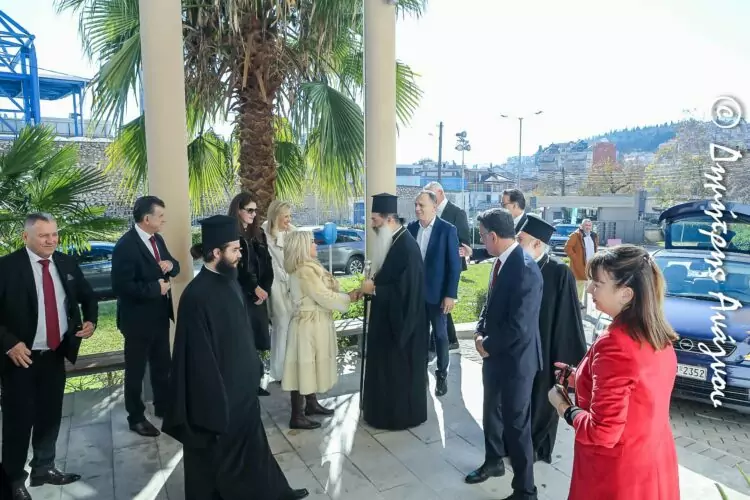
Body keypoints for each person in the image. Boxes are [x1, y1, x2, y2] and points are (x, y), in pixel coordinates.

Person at [162, 215, 309, 500]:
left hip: (242, 388)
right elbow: (197, 357)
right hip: (219, 395)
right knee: (218, 459)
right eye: (234, 250)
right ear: (215, 253)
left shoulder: (229, 282)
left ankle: (274, 493)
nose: (240, 254)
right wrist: (217, 397)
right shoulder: (196, 296)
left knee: (254, 448)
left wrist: (253, 369)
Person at [548, 245, 679, 500]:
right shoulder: (656, 336)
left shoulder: (616, 344)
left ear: (626, 294)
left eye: (597, 284)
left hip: (617, 474)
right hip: (653, 460)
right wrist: (579, 377)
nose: (589, 289)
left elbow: (602, 432)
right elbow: (636, 389)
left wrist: (563, 406)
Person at [0, 213, 98, 500]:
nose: (51, 240)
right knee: (18, 422)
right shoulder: (6, 267)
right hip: (20, 359)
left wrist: (91, 320)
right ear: (26, 237)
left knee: (50, 416)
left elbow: (88, 295)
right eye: (43, 235)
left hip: (55, 354)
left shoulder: (66, 263)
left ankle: (43, 468)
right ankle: (13, 480)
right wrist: (9, 344)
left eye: (54, 234)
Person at [466, 207, 542, 500]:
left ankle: (526, 490)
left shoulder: (525, 269)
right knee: (491, 413)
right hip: (494, 356)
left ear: (494, 236)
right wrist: (478, 331)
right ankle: (493, 461)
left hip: (516, 362)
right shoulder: (500, 262)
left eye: (482, 235)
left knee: (516, 425)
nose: (481, 240)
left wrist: (486, 344)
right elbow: (490, 304)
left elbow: (519, 326)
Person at [516, 215, 587, 463]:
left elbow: (567, 319)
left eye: (520, 239)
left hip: (546, 350)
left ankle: (537, 447)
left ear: (537, 244)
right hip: (519, 348)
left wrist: (563, 362)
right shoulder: (518, 266)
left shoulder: (558, 272)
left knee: (541, 400)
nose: (516, 243)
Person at [111, 195, 180, 437]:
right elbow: (121, 287)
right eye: (160, 216)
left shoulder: (157, 239)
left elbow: (174, 265)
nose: (164, 220)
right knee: (136, 371)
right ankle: (136, 417)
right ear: (147, 218)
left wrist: (170, 265)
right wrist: (154, 289)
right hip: (137, 321)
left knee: (163, 365)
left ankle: (163, 406)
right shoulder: (126, 246)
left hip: (159, 316)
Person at [359, 193, 428, 430]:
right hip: (387, 321)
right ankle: (378, 412)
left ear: (389, 220)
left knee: (396, 373)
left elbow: (406, 292)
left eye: (375, 220)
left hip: (402, 325)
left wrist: (374, 289)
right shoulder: (393, 241)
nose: (372, 225)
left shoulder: (406, 247)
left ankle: (396, 417)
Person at [282, 231, 359, 429]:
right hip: (308, 325)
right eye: (312, 242)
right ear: (302, 247)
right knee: (302, 367)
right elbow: (324, 296)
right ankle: (297, 416)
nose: (316, 244)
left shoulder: (309, 267)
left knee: (309, 363)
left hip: (312, 323)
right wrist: (349, 297)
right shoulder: (305, 271)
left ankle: (311, 404)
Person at [407, 190, 461, 397]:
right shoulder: (411, 229)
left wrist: (450, 295)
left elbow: (454, 265)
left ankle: (441, 375)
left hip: (438, 296)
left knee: (440, 336)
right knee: (418, 335)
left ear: (434, 207)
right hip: (415, 295)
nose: (417, 209)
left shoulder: (447, 230)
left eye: (421, 205)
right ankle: (420, 374)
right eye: (416, 205)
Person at [228, 192, 274, 397]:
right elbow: (236, 268)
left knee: (257, 339)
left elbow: (267, 263)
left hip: (259, 295)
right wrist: (253, 287)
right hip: (240, 294)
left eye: (255, 210)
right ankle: (244, 383)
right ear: (238, 210)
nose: (254, 214)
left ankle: (256, 381)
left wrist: (264, 289)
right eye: (250, 210)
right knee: (242, 340)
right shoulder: (230, 233)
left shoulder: (258, 234)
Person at [424, 181, 472, 350]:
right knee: (440, 301)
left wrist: (457, 252)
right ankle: (448, 338)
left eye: (431, 195)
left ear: (440, 193)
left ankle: (444, 339)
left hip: (449, 265)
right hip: (433, 266)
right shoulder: (428, 212)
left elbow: (464, 241)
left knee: (443, 300)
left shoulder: (457, 212)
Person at [262, 200, 296, 382]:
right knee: (281, 325)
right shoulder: (264, 233)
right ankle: (278, 371)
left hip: (291, 284)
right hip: (275, 284)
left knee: (290, 326)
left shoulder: (292, 231)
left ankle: (290, 369)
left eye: (290, 216)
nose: (289, 220)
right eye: (285, 216)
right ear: (276, 217)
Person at [564, 219, 598, 307]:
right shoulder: (575, 235)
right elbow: (567, 248)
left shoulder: (594, 235)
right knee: (579, 283)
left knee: (589, 282)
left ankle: (585, 302)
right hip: (579, 265)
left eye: (589, 225)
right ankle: (577, 302)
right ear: (582, 226)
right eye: (586, 225)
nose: (588, 227)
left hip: (591, 264)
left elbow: (595, 248)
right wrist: (576, 258)